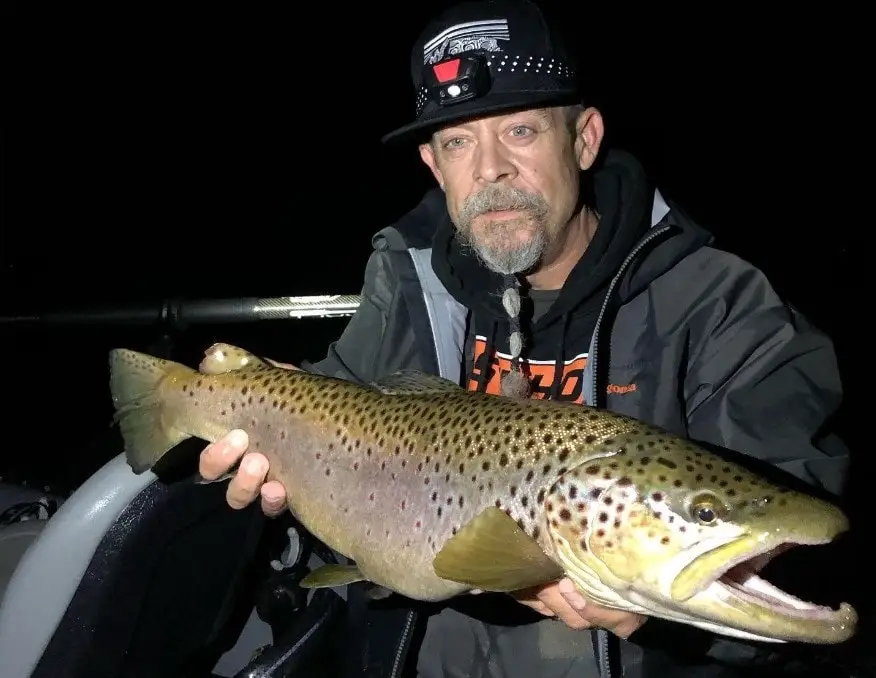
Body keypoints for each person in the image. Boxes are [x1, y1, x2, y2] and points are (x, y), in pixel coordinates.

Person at [199, 1, 851, 676]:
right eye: (457, 142)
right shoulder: (407, 281)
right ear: (433, 165)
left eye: (519, 130)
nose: (490, 170)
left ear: (585, 139)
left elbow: (815, 550)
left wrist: (653, 615)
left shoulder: (720, 305)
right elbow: (338, 400)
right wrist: (264, 409)